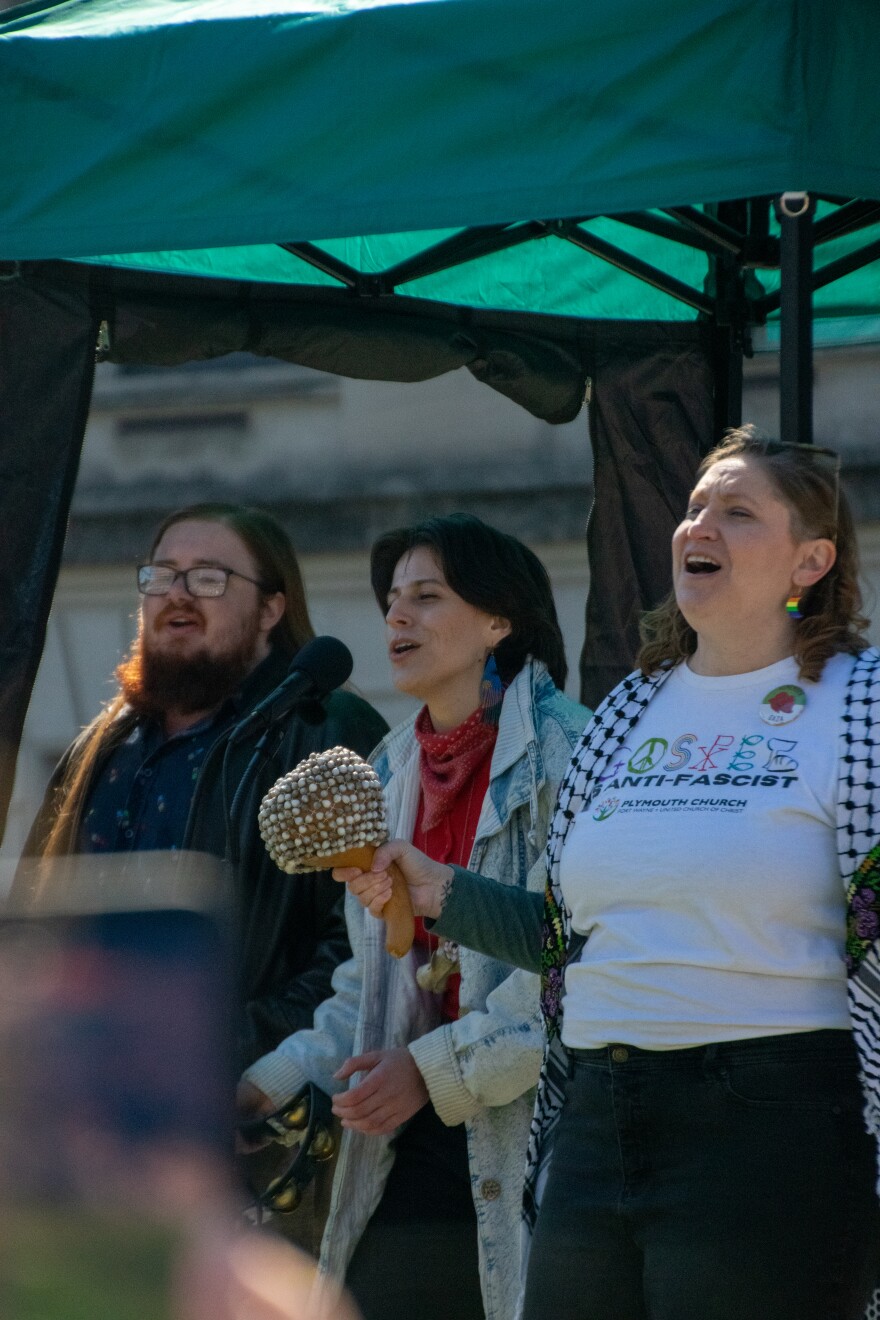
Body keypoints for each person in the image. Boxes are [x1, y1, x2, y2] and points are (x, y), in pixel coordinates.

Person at [338, 430, 880, 1320]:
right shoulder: (633, 707)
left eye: (738, 512)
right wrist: (440, 891)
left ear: (810, 560)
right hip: (596, 1121)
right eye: (695, 507)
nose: (699, 526)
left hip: (769, 1125)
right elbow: (568, 941)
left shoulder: (861, 704)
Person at [238, 514, 589, 1320]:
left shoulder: (573, 753)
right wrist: (268, 1084)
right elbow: (367, 985)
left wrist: (430, 1072)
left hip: (546, 1142)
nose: (396, 615)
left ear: (499, 621)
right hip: (416, 1144)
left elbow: (579, 976)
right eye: (392, 599)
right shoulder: (389, 768)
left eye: (426, 597)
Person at [14, 503, 388, 1070]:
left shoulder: (325, 729)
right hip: (86, 1092)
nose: (177, 594)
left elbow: (363, 944)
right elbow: (32, 921)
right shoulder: (97, 747)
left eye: (208, 578)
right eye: (161, 575)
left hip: (249, 1098)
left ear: (271, 608)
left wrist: (238, 1061)